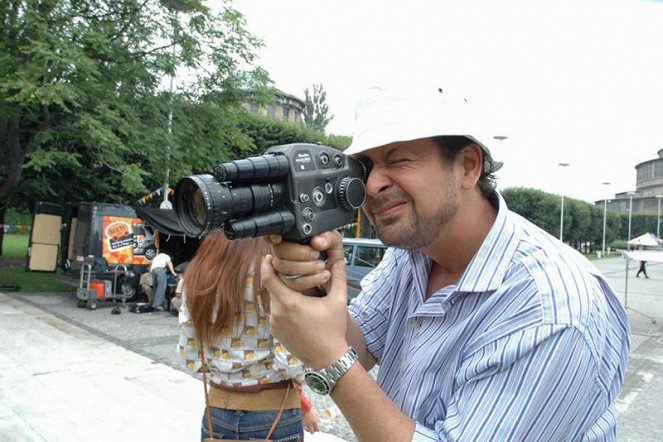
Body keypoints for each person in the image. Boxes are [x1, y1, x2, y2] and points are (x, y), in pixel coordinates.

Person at [261, 86, 631, 441]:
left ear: (468, 166)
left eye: (399, 159)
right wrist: (313, 283)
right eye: (366, 166)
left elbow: (340, 354)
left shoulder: (547, 309)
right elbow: (359, 345)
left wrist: (330, 359)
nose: (372, 185)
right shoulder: (412, 255)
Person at [177, 231, 309, 441]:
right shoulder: (270, 274)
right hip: (274, 411)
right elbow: (290, 364)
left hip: (217, 413)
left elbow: (191, 358)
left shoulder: (197, 276)